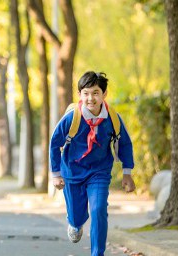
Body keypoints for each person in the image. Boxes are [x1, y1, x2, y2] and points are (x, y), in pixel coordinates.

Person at [49, 71, 135, 256]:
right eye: (86, 93)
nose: (91, 98)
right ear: (80, 94)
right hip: (72, 171)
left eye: (96, 93)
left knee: (98, 209)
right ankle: (74, 222)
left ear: (104, 94)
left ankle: (98, 253)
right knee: (76, 215)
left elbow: (124, 143)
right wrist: (56, 174)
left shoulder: (112, 118)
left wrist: (127, 173)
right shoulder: (72, 118)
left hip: (99, 171)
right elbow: (55, 143)